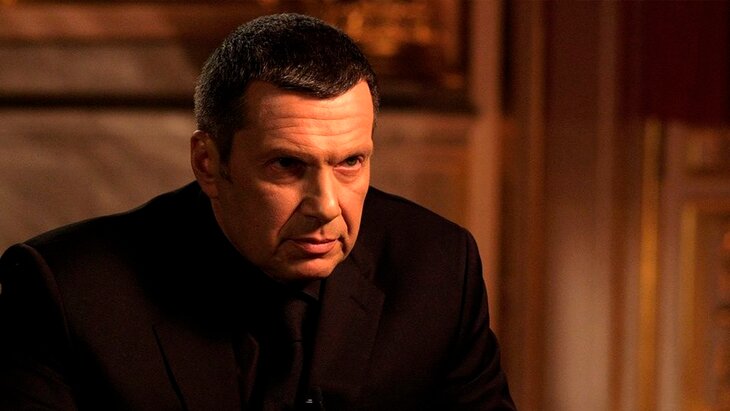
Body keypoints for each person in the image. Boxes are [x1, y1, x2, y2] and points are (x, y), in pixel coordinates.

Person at [0, 13, 516, 411]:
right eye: (287, 165)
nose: (326, 207)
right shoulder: (64, 290)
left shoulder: (438, 266)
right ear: (208, 163)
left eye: (350, 163)